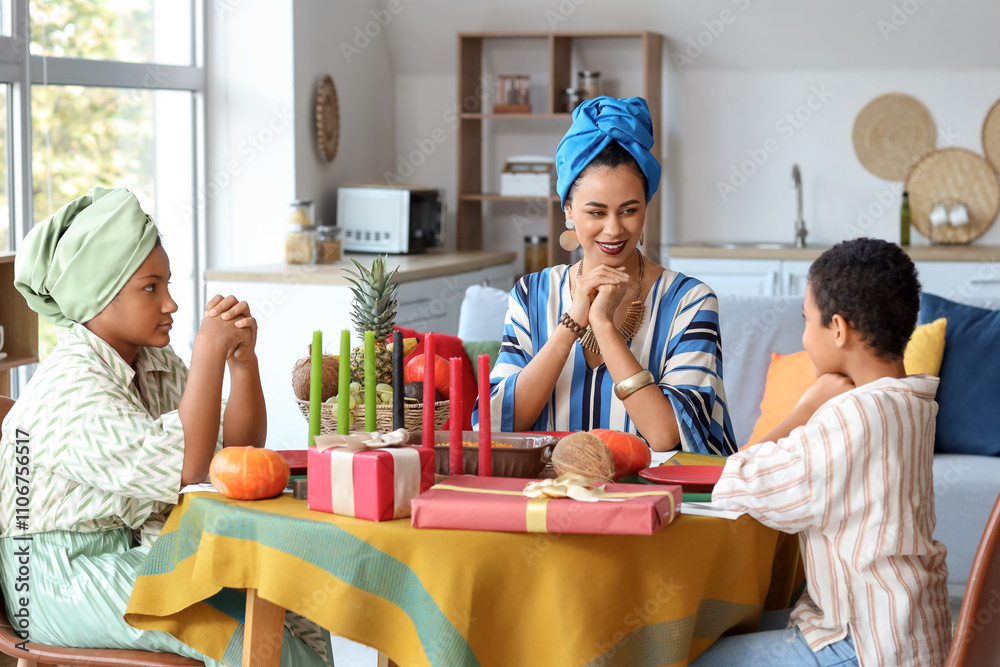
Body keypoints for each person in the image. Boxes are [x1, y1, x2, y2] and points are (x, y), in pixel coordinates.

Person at [0, 188, 325, 665]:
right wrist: (208, 353)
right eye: (151, 288)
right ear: (101, 294)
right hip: (58, 578)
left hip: (132, 553)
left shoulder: (153, 360)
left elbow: (236, 455)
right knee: (257, 646)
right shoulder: (71, 383)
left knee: (287, 608)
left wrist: (242, 365)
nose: (170, 303)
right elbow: (187, 469)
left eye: (168, 284)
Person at [695, 238, 951, 667]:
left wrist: (805, 407)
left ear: (837, 328)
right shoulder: (913, 401)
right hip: (908, 631)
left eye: (806, 321)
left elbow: (736, 481)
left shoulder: (852, 418)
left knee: (690, 656)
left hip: (863, 644)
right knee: (739, 623)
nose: (803, 336)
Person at [473, 96, 736, 455]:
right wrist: (573, 321)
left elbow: (665, 435)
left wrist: (604, 326)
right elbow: (497, 426)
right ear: (567, 208)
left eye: (629, 210)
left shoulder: (690, 301)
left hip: (652, 499)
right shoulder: (531, 294)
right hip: (549, 495)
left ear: (646, 206)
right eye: (596, 212)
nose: (614, 230)